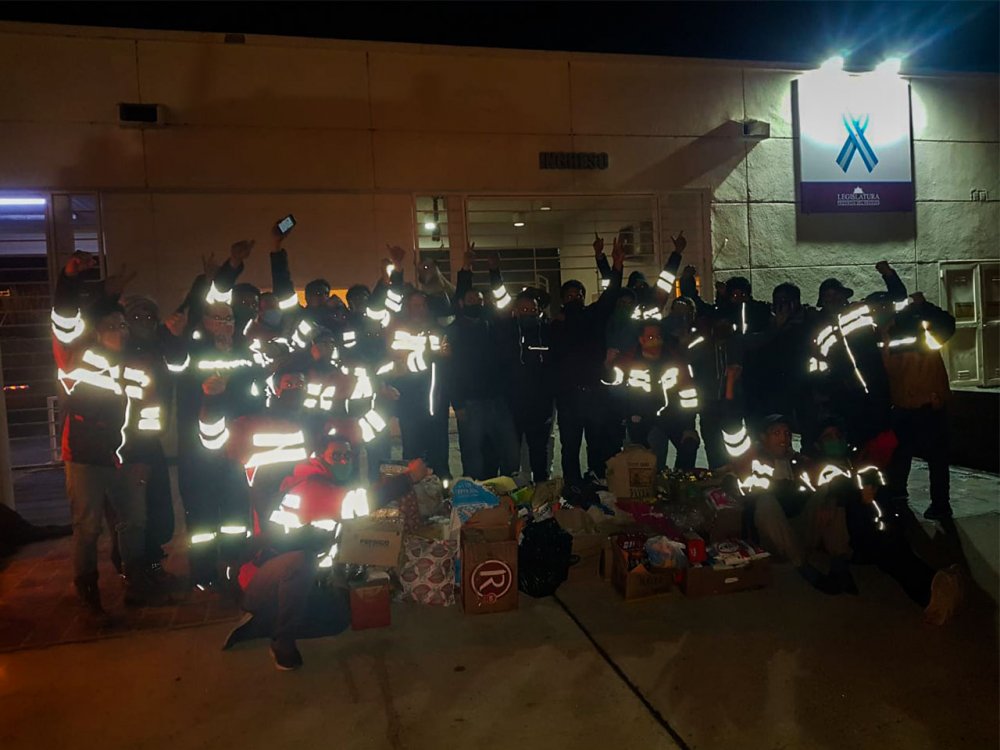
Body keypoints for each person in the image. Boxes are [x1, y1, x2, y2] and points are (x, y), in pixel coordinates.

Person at [222, 435, 430, 670]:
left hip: (295, 581)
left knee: (338, 619)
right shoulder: (311, 487)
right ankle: (279, 640)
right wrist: (409, 477)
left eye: (347, 456)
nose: (343, 462)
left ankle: (269, 620)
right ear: (319, 457)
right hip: (263, 581)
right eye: (336, 456)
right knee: (300, 562)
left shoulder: (328, 485)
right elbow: (361, 502)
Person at [51, 252, 171, 618]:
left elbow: (150, 415)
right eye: (112, 326)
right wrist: (69, 280)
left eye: (123, 326)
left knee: (134, 521)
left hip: (128, 459)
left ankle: (136, 582)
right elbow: (64, 320)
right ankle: (87, 587)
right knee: (87, 528)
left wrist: (143, 460)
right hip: (86, 458)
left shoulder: (138, 366)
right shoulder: (77, 357)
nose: (120, 331)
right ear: (97, 332)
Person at [809, 420, 963, 623]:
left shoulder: (854, 463)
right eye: (828, 437)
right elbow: (827, 491)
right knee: (886, 549)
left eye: (838, 435)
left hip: (868, 527)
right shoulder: (817, 468)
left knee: (894, 547)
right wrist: (852, 496)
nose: (835, 440)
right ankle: (931, 593)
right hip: (843, 538)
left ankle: (935, 585)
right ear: (818, 444)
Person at [867, 261, 957, 520]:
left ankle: (938, 504)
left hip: (928, 404)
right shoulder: (882, 333)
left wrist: (922, 305)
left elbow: (946, 325)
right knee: (904, 455)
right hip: (905, 405)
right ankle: (902, 496)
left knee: (934, 458)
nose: (878, 311)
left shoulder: (912, 327)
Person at [721, 414, 846, 593]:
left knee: (830, 493)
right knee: (765, 501)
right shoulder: (752, 461)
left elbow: (830, 477)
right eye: (776, 433)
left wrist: (828, 500)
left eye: (787, 433)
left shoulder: (799, 461)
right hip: (771, 538)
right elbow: (731, 478)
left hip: (799, 528)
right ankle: (802, 567)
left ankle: (839, 563)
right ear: (763, 438)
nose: (784, 438)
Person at [551, 234, 624, 485]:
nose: (574, 297)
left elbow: (612, 293)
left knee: (597, 444)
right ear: (563, 299)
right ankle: (571, 486)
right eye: (569, 295)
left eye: (578, 294)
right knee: (570, 447)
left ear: (583, 297)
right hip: (569, 397)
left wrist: (611, 264)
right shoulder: (555, 326)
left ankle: (597, 485)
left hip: (594, 394)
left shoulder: (594, 317)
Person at [444, 246, 520, 480]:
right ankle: (475, 495)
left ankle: (509, 491)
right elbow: (451, 372)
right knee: (472, 454)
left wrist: (494, 271)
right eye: (470, 299)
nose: (476, 301)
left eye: (479, 299)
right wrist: (458, 405)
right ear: (461, 304)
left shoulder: (491, 325)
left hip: (498, 400)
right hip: (471, 403)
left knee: (510, 452)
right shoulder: (455, 331)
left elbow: (501, 299)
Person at [605, 323, 700, 470]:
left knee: (689, 444)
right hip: (640, 416)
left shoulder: (676, 361)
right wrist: (609, 364)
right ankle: (648, 487)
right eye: (650, 337)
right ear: (641, 340)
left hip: (672, 414)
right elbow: (613, 385)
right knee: (640, 458)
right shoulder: (628, 361)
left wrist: (689, 427)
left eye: (658, 336)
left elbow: (688, 394)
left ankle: (680, 480)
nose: (655, 340)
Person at [497, 289, 556, 482]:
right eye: (523, 308)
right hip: (512, 404)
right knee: (510, 452)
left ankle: (541, 487)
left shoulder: (548, 332)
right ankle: (509, 490)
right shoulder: (505, 331)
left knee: (539, 450)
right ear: (515, 310)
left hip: (540, 405)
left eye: (533, 309)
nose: (528, 313)